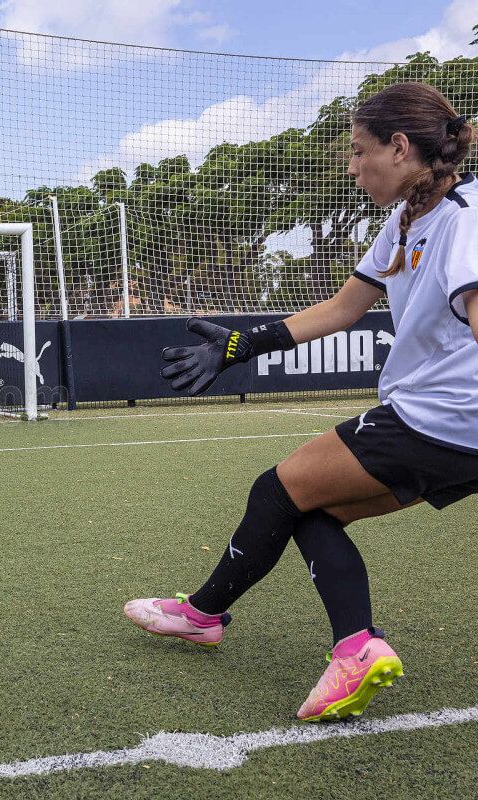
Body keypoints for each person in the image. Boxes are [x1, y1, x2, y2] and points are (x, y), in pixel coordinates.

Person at [125, 82, 477, 722]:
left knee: (275, 490)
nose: (351, 166)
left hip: (439, 419)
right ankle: (354, 649)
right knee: (314, 511)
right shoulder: (405, 221)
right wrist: (241, 344)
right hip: (456, 433)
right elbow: (345, 308)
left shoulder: (466, 218)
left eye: (358, 150)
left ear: (399, 148)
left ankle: (203, 615)